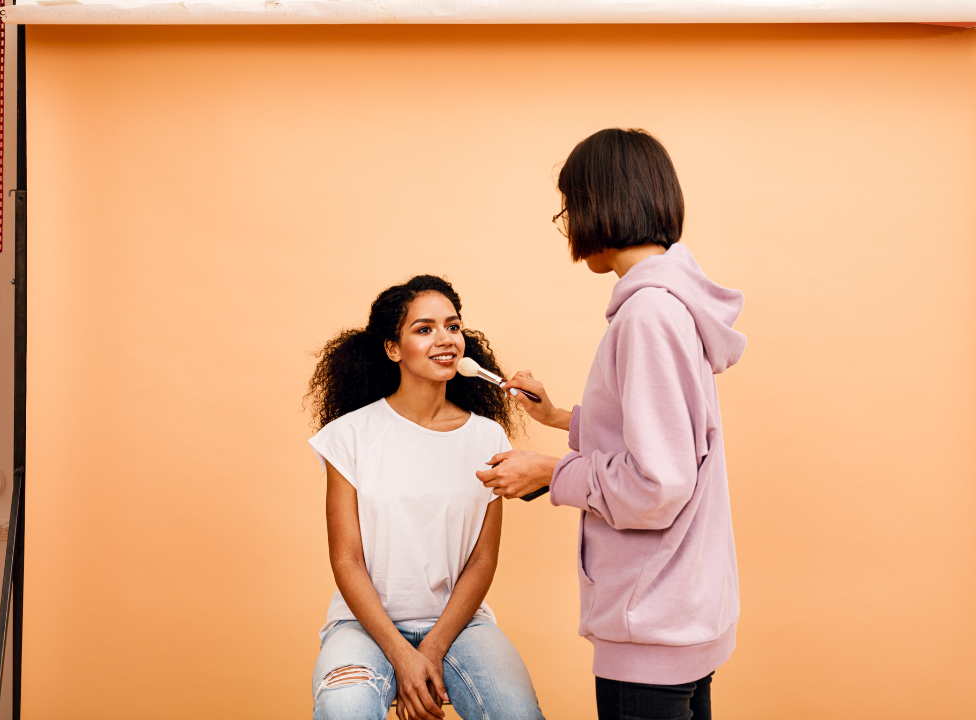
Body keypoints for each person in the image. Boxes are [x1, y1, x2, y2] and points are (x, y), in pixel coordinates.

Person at [478, 128, 745, 720]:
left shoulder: (647, 316)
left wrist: (549, 473)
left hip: (652, 619)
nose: (568, 226)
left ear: (599, 205)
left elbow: (658, 485)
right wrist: (557, 418)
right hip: (683, 612)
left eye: (568, 208)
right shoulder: (672, 304)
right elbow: (671, 438)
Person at [305, 275, 545, 720]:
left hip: (461, 625)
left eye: (453, 327)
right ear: (393, 348)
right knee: (344, 707)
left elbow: (482, 560)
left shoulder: (488, 436)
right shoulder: (348, 437)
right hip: (362, 626)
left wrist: (432, 648)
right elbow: (347, 560)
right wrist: (402, 655)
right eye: (424, 329)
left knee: (518, 713)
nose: (446, 340)